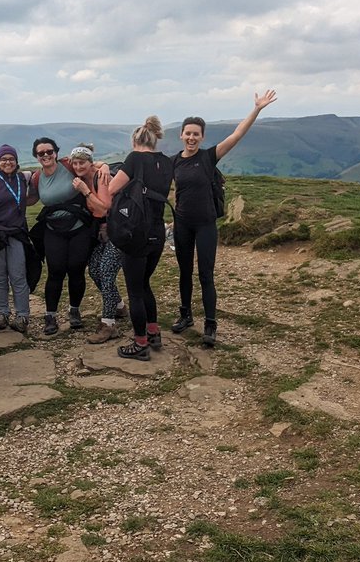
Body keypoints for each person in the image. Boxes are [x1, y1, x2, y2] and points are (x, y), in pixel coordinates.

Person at [171, 90, 277, 346]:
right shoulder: (173, 162)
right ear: (181, 135)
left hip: (206, 224)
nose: (192, 137)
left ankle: (210, 324)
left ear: (202, 137)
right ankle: (185, 315)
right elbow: (169, 187)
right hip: (182, 223)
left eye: (196, 134)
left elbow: (237, 135)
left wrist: (257, 109)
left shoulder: (209, 157)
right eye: (188, 133)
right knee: (184, 272)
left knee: (205, 274)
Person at [107, 117, 173, 360]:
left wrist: (105, 173)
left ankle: (140, 344)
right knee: (145, 283)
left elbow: (113, 188)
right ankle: (153, 333)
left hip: (136, 231)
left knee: (135, 290)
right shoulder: (166, 162)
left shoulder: (134, 158)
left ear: (135, 141)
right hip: (158, 231)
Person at [29, 137, 96, 335]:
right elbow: (30, 199)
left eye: (49, 151)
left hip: (79, 227)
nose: (46, 155)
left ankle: (74, 311)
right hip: (53, 229)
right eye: (41, 153)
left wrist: (102, 166)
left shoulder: (68, 166)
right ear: (36, 156)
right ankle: (50, 315)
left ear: (56, 152)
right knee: (55, 271)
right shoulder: (36, 178)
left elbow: (90, 165)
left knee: (76, 269)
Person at [67, 145, 126, 343]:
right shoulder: (90, 172)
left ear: (90, 163)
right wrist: (103, 163)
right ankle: (119, 306)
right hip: (102, 231)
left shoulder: (99, 177)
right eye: (75, 163)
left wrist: (85, 191)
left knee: (106, 270)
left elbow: (105, 208)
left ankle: (108, 324)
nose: (77, 166)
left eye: (82, 163)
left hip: (118, 230)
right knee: (94, 270)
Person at [0, 144, 36, 333]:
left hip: (16, 234)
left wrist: (102, 165)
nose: (7, 162)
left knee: (19, 276)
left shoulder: (24, 177)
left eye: (11, 159)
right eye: (3, 159)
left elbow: (48, 169)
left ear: (17, 161)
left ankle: (22, 316)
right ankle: (2, 313)